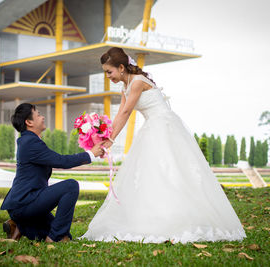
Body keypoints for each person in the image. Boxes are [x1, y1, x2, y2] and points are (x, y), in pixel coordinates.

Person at [81, 47, 247, 243]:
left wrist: (111, 140)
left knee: (172, 170)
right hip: (152, 126)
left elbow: (126, 113)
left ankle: (180, 218)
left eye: (109, 72)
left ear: (121, 67)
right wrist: (106, 137)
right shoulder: (125, 86)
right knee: (153, 173)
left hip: (163, 126)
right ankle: (156, 214)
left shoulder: (137, 83)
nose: (108, 76)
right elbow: (120, 114)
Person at [0, 103, 104, 242]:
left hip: (26, 203)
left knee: (58, 233)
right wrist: (91, 154)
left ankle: (17, 225)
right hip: (25, 203)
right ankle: (53, 237)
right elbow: (62, 161)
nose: (42, 117)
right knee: (70, 186)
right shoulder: (30, 143)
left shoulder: (29, 141)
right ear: (29, 122)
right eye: (38, 115)